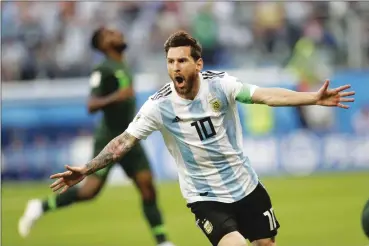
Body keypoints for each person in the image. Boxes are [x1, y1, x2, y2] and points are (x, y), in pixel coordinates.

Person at [48, 31, 355, 246]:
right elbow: (123, 142)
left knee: (265, 242)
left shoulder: (222, 86)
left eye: (181, 61)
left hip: (246, 185)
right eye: (170, 62)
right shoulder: (159, 106)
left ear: (198, 64)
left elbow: (267, 96)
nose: (174, 68)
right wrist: (87, 170)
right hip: (205, 196)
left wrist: (312, 98)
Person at [18, 27, 174, 246]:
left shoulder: (123, 64)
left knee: (147, 187)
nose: (118, 34)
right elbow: (91, 105)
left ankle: (162, 242)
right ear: (103, 45)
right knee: (89, 191)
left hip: (131, 136)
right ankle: (39, 206)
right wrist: (116, 97)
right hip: (109, 138)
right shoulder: (102, 69)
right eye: (110, 34)